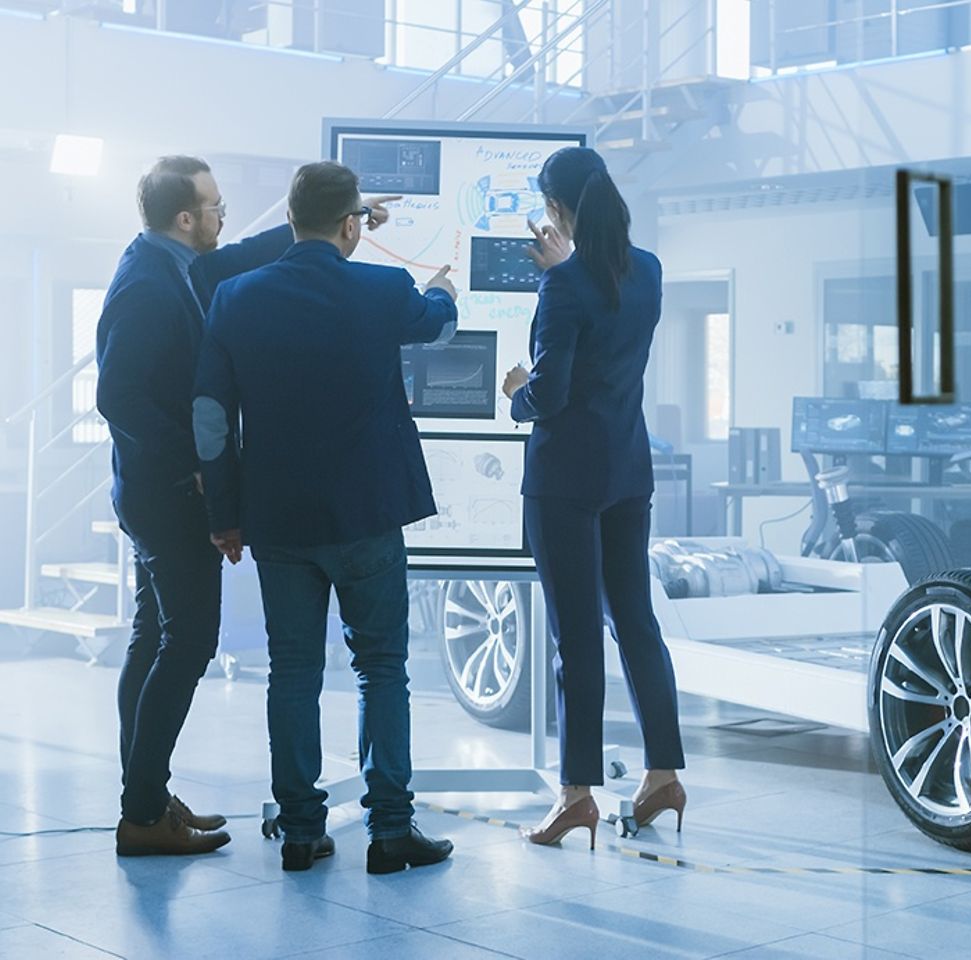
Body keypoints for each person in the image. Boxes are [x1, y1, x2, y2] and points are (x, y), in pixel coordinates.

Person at [192, 161, 457, 874]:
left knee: (293, 673)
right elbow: (434, 325)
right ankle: (391, 831)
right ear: (352, 226)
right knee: (382, 669)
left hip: (276, 522)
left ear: (288, 218)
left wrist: (225, 513)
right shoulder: (383, 288)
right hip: (368, 514)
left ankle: (304, 831)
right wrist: (442, 292)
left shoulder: (235, 298)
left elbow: (211, 418)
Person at [97, 155, 299, 856]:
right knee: (187, 644)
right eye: (214, 206)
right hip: (166, 496)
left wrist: (312, 223)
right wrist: (192, 466)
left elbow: (239, 252)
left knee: (153, 639)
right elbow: (116, 397)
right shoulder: (149, 285)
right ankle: (143, 814)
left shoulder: (170, 262)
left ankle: (146, 797)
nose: (222, 215)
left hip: (150, 491)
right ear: (186, 218)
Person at [503, 147, 686, 848]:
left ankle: (576, 794)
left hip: (565, 482)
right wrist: (567, 269)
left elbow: (548, 395)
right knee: (636, 624)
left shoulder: (565, 286)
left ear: (555, 211)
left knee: (574, 638)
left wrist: (518, 391)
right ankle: (662, 775)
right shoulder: (649, 271)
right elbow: (608, 323)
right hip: (625, 473)